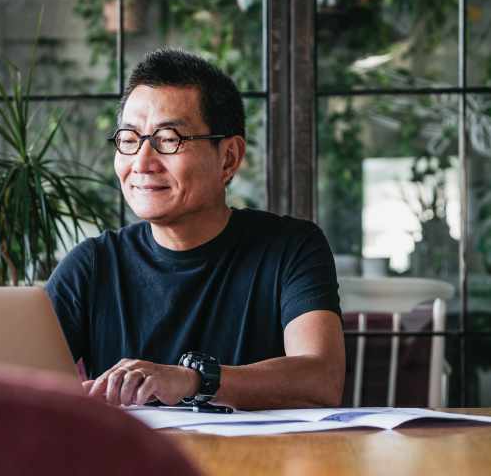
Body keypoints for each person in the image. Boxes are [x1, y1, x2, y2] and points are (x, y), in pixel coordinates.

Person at [44, 48, 345, 411]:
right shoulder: (92, 266)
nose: (142, 162)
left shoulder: (290, 248)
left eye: (169, 139)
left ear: (228, 158)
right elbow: (11, 384)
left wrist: (191, 379)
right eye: (130, 139)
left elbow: (321, 379)